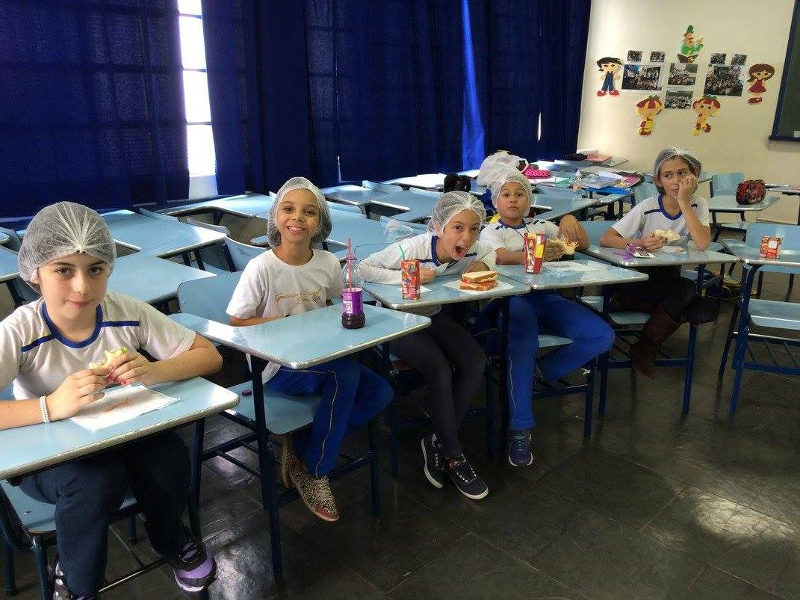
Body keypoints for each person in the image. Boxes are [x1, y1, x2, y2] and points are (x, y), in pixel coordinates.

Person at [0, 202, 222, 600]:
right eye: (63, 270)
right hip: (53, 458)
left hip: (122, 435)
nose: (82, 287)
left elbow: (209, 356)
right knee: (96, 482)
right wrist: (51, 406)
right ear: (35, 273)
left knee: (169, 457)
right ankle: (76, 581)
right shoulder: (20, 330)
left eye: (95, 270)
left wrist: (153, 370)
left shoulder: (125, 311)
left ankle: (170, 538)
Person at [226, 177, 393, 522]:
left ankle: (303, 447)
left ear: (320, 222)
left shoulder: (328, 263)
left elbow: (331, 306)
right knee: (345, 374)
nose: (298, 218)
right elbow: (237, 323)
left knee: (380, 392)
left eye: (309, 212)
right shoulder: (262, 267)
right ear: (276, 217)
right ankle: (316, 470)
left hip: (320, 359)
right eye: (288, 209)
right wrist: (285, 324)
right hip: (275, 366)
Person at [358, 191, 494, 500]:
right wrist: (408, 275)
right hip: (394, 318)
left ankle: (436, 440)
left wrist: (482, 264)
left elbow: (490, 252)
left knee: (475, 359)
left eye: (474, 229)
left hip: (432, 314)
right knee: (438, 367)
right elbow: (363, 268)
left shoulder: (475, 247)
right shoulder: (412, 248)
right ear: (439, 227)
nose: (466, 237)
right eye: (457, 227)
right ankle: (454, 455)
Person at [473, 171, 614, 466]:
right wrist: (537, 252)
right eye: (506, 194)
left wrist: (570, 220)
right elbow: (500, 256)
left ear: (529, 199)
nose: (513, 200)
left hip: (547, 297)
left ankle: (543, 372)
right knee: (523, 347)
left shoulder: (542, 226)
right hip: (512, 299)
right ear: (496, 201)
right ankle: (520, 428)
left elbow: (580, 244)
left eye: (519, 194)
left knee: (601, 335)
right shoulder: (491, 231)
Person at [600, 147, 718, 378]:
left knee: (703, 306)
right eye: (668, 175)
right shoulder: (648, 206)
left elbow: (703, 243)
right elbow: (607, 239)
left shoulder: (698, 204)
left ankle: (642, 332)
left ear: (693, 176)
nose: (676, 181)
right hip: (638, 276)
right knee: (688, 292)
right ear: (658, 181)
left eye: (682, 173)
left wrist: (684, 203)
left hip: (668, 278)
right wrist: (639, 243)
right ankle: (646, 345)